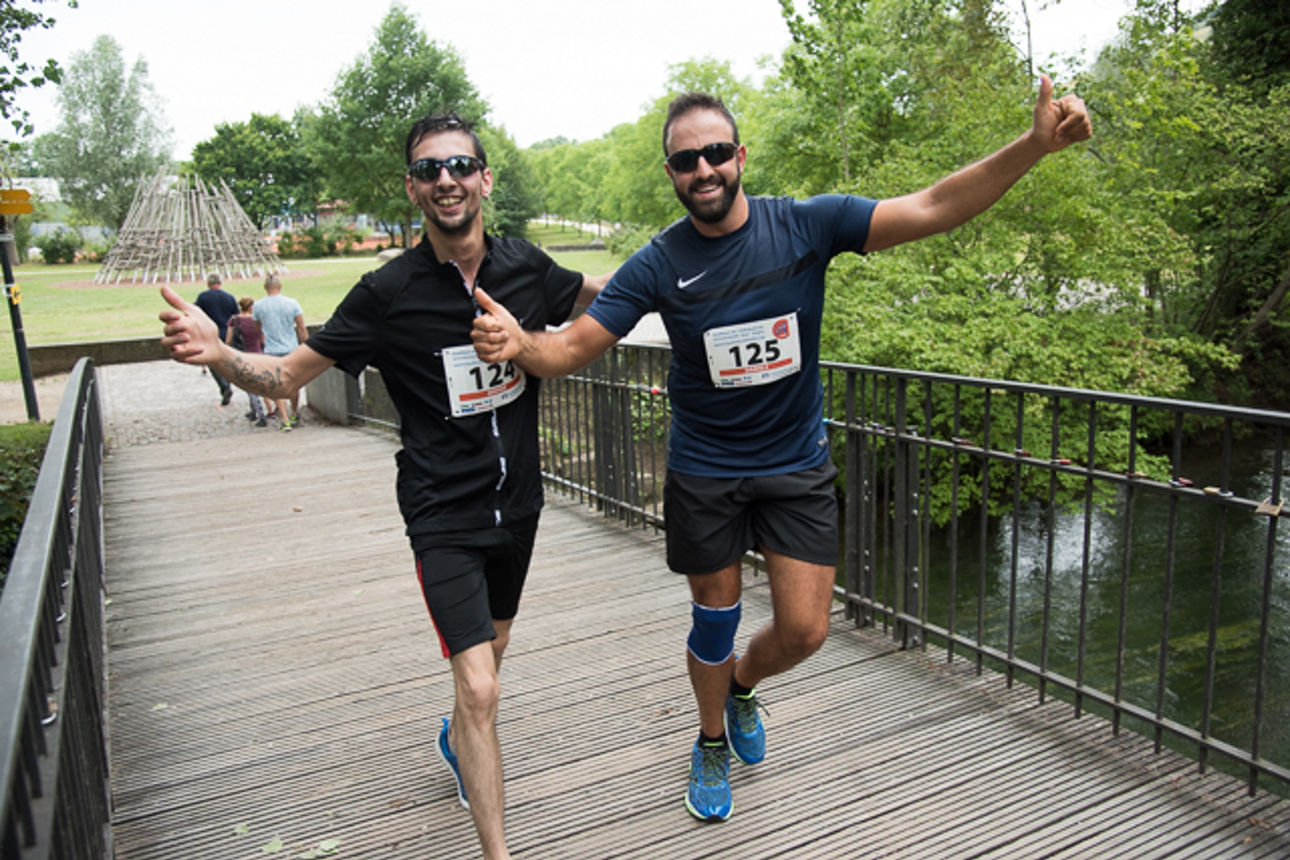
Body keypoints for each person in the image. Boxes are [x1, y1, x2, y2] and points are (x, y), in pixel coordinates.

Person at [471, 76, 1092, 823]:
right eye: (685, 160)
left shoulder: (804, 226)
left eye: (716, 152)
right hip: (705, 469)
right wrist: (520, 345)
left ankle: (740, 688)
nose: (703, 169)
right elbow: (575, 344)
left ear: (741, 156)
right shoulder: (658, 264)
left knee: (805, 629)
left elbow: (932, 206)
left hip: (794, 463)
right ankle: (707, 743)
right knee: (714, 617)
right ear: (669, 174)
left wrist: (1033, 147)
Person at [158, 112, 609, 860]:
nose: (446, 181)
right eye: (430, 170)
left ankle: (457, 734)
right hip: (441, 513)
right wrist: (217, 355)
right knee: (484, 689)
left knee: (487, 667)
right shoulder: (387, 293)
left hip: (519, 507)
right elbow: (286, 374)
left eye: (460, 166)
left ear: (484, 179)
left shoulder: (527, 269)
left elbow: (604, 297)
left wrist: (680, 286)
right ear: (412, 188)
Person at [252, 273, 308, 430]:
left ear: (265, 288)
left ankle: (284, 420)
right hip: (291, 348)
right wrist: (304, 343)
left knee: (277, 385)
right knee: (294, 383)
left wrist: (263, 338)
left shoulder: (258, 306)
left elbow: (258, 328)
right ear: (280, 286)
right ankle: (295, 412)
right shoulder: (292, 303)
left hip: (271, 350)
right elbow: (301, 327)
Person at [194, 272, 238, 406]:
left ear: (208, 283)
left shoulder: (203, 297)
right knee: (227, 361)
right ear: (220, 283)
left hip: (210, 334)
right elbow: (236, 316)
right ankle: (228, 384)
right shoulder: (229, 297)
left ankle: (224, 386)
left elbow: (196, 314)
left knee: (212, 363)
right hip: (227, 333)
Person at [224, 296, 268, 426]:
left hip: (242, 355)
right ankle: (255, 411)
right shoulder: (256, 320)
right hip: (257, 354)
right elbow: (262, 338)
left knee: (249, 386)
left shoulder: (234, 320)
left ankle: (259, 413)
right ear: (250, 307)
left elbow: (228, 340)